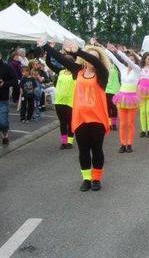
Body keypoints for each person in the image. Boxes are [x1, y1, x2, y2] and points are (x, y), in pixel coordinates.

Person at [41, 40, 110, 192]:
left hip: (97, 118)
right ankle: (86, 179)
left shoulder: (102, 73)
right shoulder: (77, 70)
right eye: (89, 57)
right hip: (80, 117)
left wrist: (78, 51)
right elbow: (61, 59)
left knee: (97, 149)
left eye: (95, 57)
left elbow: (94, 62)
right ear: (83, 59)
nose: (92, 60)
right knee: (83, 150)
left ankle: (96, 178)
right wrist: (45, 46)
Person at [105, 44, 141, 153]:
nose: (130, 61)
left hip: (132, 99)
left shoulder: (137, 69)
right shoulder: (122, 68)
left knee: (130, 123)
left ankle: (129, 144)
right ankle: (123, 144)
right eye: (129, 59)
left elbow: (127, 60)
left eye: (132, 59)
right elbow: (114, 59)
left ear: (134, 61)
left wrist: (118, 51)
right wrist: (105, 49)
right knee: (123, 123)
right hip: (122, 98)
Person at [45, 47, 77, 149]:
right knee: (62, 123)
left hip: (70, 102)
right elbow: (49, 63)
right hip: (59, 101)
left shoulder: (75, 73)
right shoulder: (61, 71)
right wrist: (49, 51)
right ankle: (64, 142)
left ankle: (70, 142)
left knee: (70, 122)